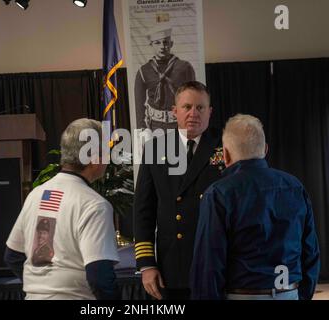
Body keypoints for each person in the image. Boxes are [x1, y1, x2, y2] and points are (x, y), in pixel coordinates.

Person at [190, 114, 320, 300]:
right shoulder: (294, 187)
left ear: (225, 154)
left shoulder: (218, 194)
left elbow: (209, 267)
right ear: (265, 149)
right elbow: (311, 253)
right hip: (290, 293)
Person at [4, 118, 120, 300]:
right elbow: (100, 277)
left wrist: (42, 287)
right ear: (94, 158)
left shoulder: (36, 195)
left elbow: (13, 256)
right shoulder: (94, 205)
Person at [134, 81, 223, 300]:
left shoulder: (225, 146)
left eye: (200, 107)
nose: (194, 113)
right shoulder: (155, 149)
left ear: (210, 112)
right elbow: (144, 210)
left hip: (216, 260)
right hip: (172, 264)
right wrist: (146, 264)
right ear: (175, 111)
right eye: (187, 107)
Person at [135, 26, 196, 131]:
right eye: (157, 43)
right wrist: (142, 129)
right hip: (154, 126)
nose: (162, 46)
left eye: (165, 42)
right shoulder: (143, 71)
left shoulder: (185, 68)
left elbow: (193, 98)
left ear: (171, 44)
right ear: (151, 45)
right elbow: (139, 104)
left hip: (179, 124)